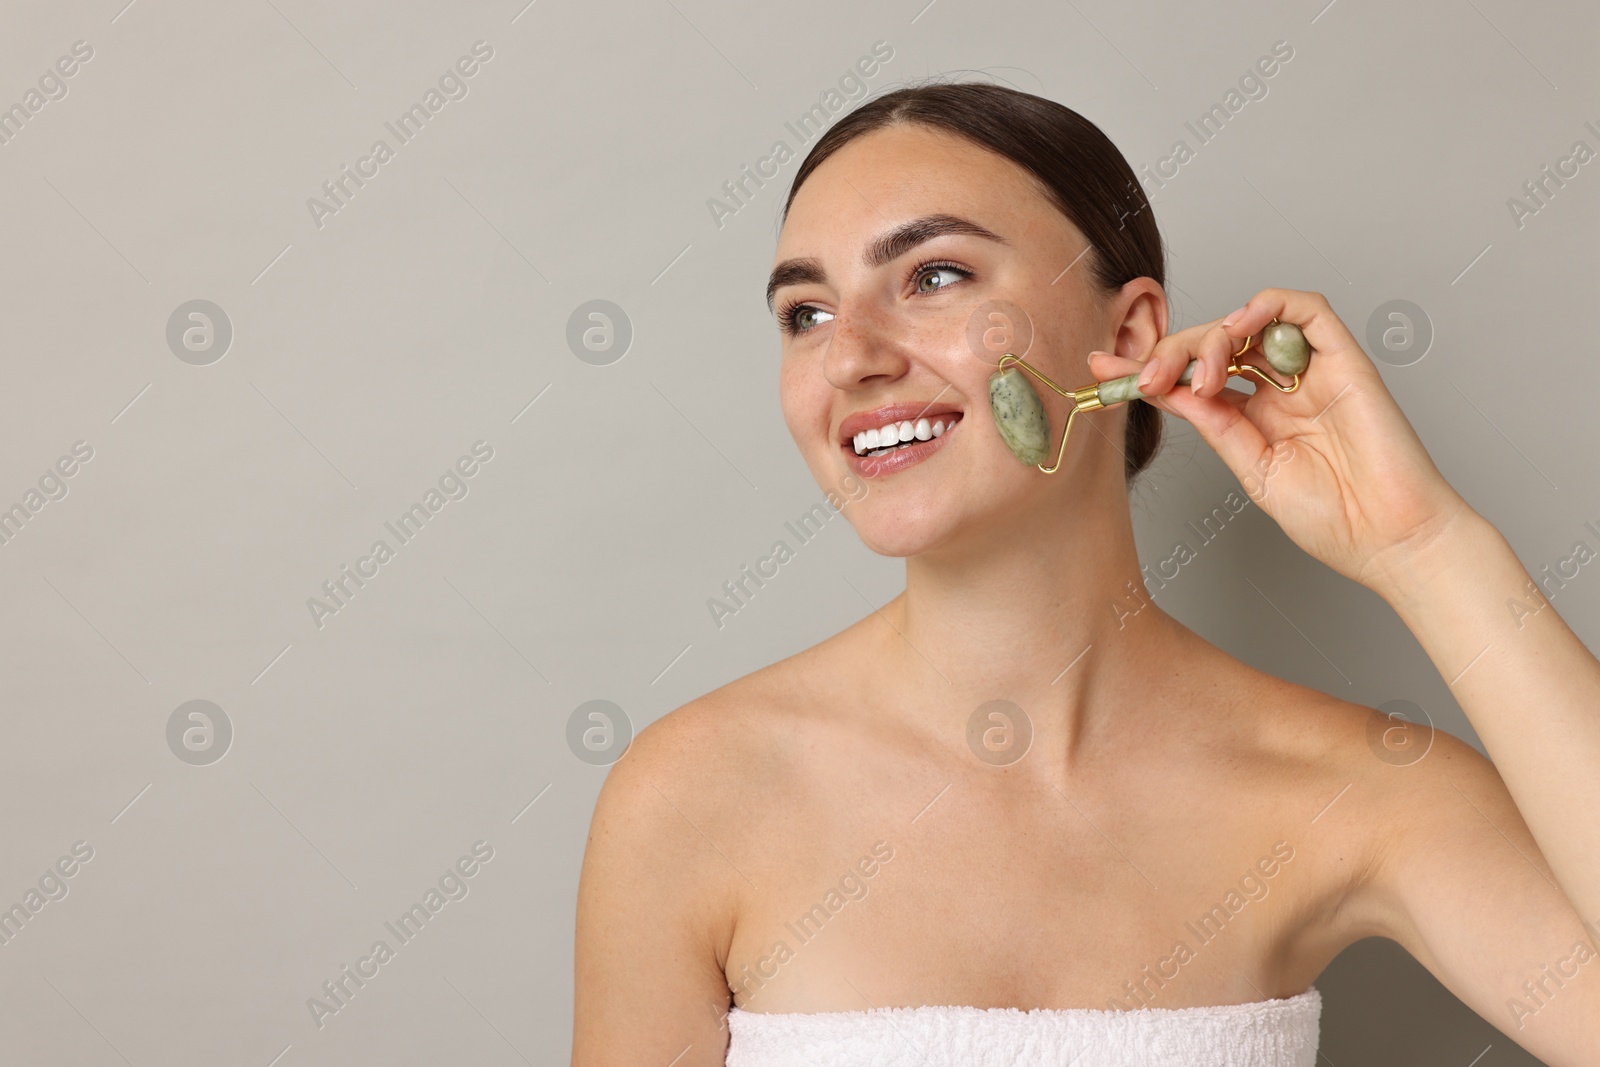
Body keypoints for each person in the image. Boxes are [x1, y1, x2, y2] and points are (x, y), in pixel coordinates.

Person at [571, 81, 1600, 1066]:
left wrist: (1420, 546)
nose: (850, 359)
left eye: (933, 276)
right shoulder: (694, 796)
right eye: (807, 313)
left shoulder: (1354, 788)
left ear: (1128, 331)